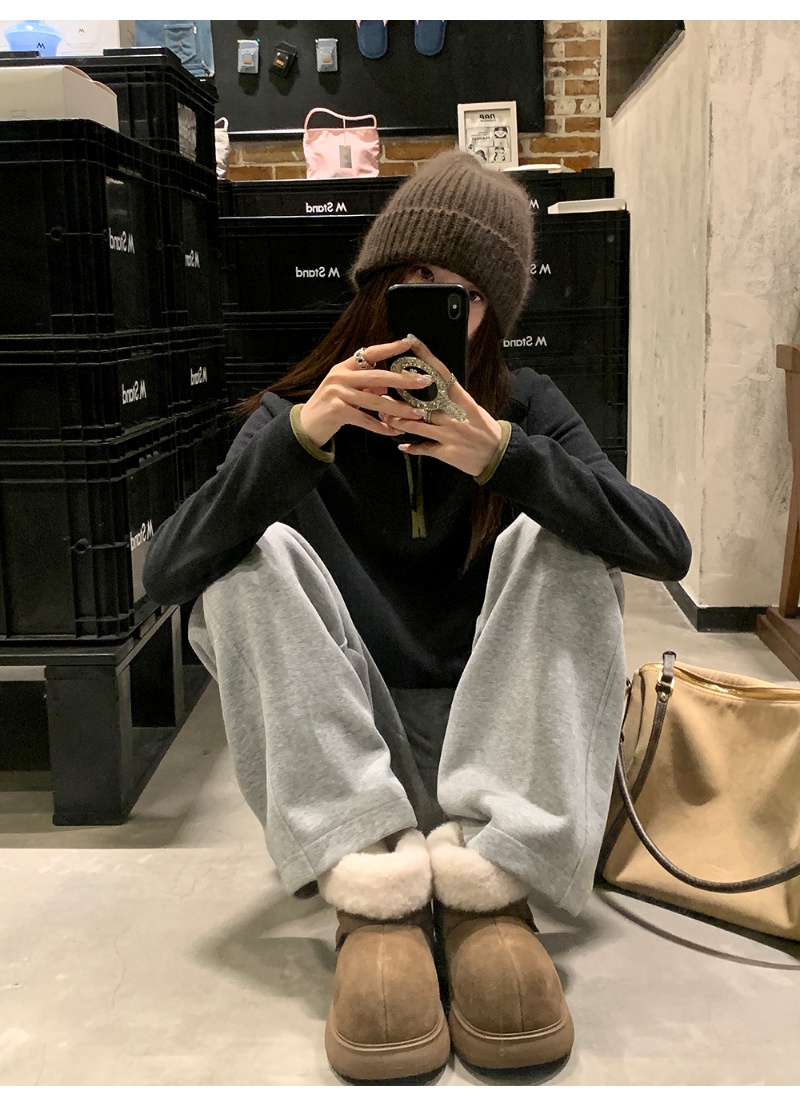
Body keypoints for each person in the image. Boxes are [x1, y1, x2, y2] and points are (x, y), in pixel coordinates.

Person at [142, 151, 691, 1082]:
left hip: (502, 759)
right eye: (414, 281)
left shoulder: (527, 411)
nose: (432, 312)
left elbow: (664, 549)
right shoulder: (298, 415)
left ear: (490, 315)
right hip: (355, 765)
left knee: (567, 541)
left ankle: (490, 888)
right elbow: (168, 572)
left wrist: (504, 457)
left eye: (462, 295)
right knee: (244, 563)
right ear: (374, 288)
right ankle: (374, 891)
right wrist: (302, 439)